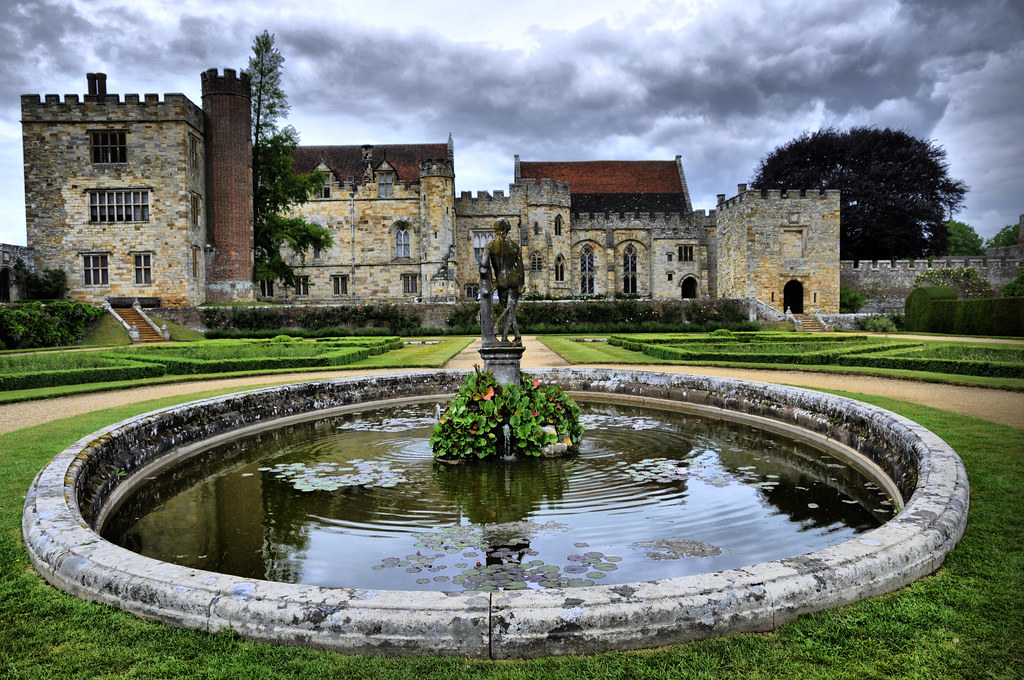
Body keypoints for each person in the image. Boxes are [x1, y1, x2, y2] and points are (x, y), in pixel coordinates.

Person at [480, 219, 524, 345]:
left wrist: (489, 280)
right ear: (507, 229)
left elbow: (484, 264)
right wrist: (521, 283)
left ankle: (507, 337)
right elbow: (520, 266)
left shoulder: (491, 244)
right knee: (509, 310)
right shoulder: (514, 245)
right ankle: (514, 336)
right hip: (514, 280)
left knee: (507, 309)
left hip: (501, 282)